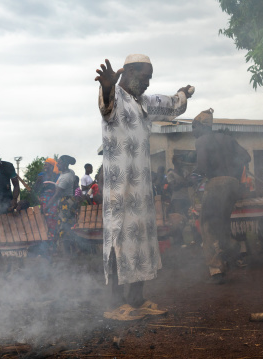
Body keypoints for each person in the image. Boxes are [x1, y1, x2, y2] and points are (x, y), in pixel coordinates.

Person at [96, 54, 193, 319]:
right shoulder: (114, 97)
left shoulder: (146, 103)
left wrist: (184, 93)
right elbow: (106, 107)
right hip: (119, 188)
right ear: (127, 73)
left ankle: (137, 300)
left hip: (141, 189)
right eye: (144, 76)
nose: (148, 83)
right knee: (118, 240)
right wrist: (106, 86)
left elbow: (173, 105)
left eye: (150, 78)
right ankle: (115, 305)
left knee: (142, 242)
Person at [192, 109, 251, 284]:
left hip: (216, 184)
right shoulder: (228, 139)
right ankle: (233, 252)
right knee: (222, 224)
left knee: (207, 225)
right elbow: (246, 156)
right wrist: (232, 170)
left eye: (194, 127)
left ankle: (217, 268)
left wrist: (191, 179)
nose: (192, 132)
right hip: (232, 185)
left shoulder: (202, 140)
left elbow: (202, 167)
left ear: (202, 127)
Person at [47, 155, 78, 254]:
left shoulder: (65, 177)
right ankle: (73, 252)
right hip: (68, 201)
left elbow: (57, 195)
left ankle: (67, 254)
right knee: (67, 226)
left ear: (65, 164)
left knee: (64, 228)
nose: (57, 164)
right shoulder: (70, 173)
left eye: (59, 163)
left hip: (65, 203)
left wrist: (46, 207)